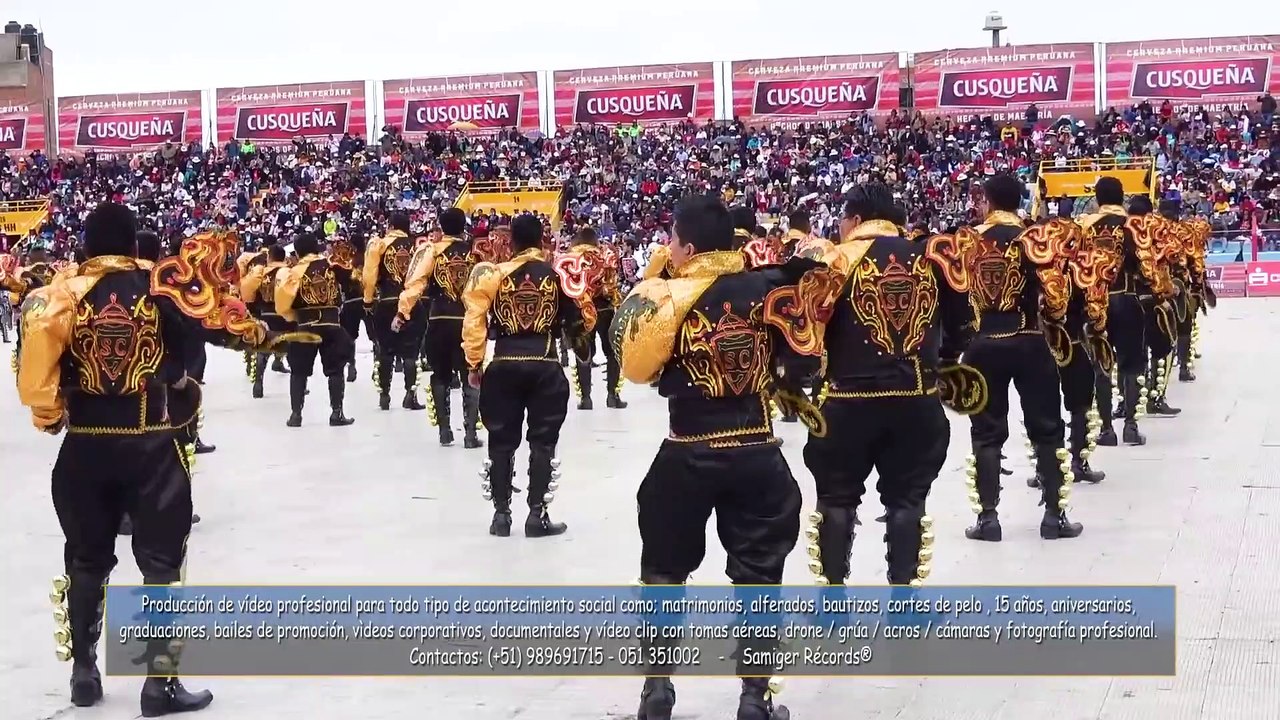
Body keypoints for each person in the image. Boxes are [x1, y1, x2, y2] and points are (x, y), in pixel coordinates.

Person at [16, 203, 225, 715]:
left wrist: (48, 414)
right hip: (151, 442)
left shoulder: (61, 292)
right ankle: (159, 685)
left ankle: (83, 674)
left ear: (86, 246)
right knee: (161, 564)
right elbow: (197, 346)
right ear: (134, 244)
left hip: (84, 445)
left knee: (86, 559)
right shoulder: (162, 290)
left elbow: (34, 364)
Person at [613, 195, 814, 720]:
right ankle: (754, 697)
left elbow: (634, 367)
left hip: (687, 447)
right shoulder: (771, 285)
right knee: (760, 574)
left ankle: (656, 690)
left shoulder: (669, 297)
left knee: (663, 570)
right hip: (754, 445)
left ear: (689, 244)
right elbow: (805, 356)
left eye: (673, 240)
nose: (669, 249)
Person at [767, 183, 972, 586]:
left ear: (855, 220)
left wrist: (794, 380)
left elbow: (798, 327)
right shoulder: (930, 257)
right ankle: (903, 597)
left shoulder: (832, 257)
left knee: (836, 497)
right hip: (915, 396)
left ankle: (832, 598)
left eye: (843, 219)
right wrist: (945, 362)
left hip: (845, 399)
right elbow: (964, 323)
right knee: (908, 498)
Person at [954, 175, 1082, 542]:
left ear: (989, 202)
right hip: (1028, 339)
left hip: (983, 344)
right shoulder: (1034, 239)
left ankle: (988, 518)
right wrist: (1052, 320)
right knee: (1046, 428)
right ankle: (1054, 516)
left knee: (986, 433)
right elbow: (1057, 296)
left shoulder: (969, 242)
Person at [462, 214, 594, 538]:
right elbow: (581, 321)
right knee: (543, 441)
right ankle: (537, 515)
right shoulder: (558, 275)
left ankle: (501, 516)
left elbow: (474, 319)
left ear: (512, 242)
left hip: (504, 363)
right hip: (545, 364)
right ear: (542, 240)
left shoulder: (493, 274)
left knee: (500, 441)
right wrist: (581, 351)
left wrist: (474, 363)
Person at [1086, 182, 1173, 447]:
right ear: (1122, 197)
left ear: (1098, 198)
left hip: (1097, 302)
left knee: (1101, 367)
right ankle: (1131, 427)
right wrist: (1160, 296)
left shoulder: (1085, 226)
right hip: (1127, 299)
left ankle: (1106, 430)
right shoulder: (1133, 226)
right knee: (1132, 365)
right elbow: (1148, 268)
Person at [395, 208, 483, 448]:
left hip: (439, 318)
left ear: (441, 227)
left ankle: (444, 430)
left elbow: (415, 283)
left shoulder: (430, 250)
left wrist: (403, 312)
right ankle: (470, 434)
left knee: (440, 374)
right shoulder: (476, 252)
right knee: (470, 373)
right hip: (468, 319)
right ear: (463, 227)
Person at [275, 232, 357, 427]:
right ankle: (337, 412)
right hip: (331, 323)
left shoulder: (293, 272)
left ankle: (296, 415)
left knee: (298, 371)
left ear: (297, 251)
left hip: (306, 325)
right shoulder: (332, 265)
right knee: (336, 369)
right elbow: (352, 279)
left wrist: (295, 317)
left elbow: (282, 304)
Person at [558, 227, 628, 410]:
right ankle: (613, 395)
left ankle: (586, 398)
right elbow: (612, 286)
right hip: (604, 308)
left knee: (583, 354)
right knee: (612, 352)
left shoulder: (571, 256)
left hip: (580, 310)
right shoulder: (605, 254)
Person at [363, 212, 425, 411]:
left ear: (390, 226)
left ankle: (385, 394)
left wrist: (368, 300)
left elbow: (370, 275)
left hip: (386, 301)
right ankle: (410, 394)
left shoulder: (379, 244)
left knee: (385, 350)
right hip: (412, 302)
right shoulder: (417, 246)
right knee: (411, 352)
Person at [239, 242, 292, 399]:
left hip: (266, 314)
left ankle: (258, 383)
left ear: (270, 257)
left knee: (263, 349)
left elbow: (247, 292)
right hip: (286, 316)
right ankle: (299, 385)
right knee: (293, 348)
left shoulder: (261, 272)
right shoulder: (289, 272)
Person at [335, 234, 369, 383]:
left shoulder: (344, 262)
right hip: (368, 300)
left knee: (349, 337)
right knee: (376, 336)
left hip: (350, 302)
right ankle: (380, 365)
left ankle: (351, 364)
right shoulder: (369, 259)